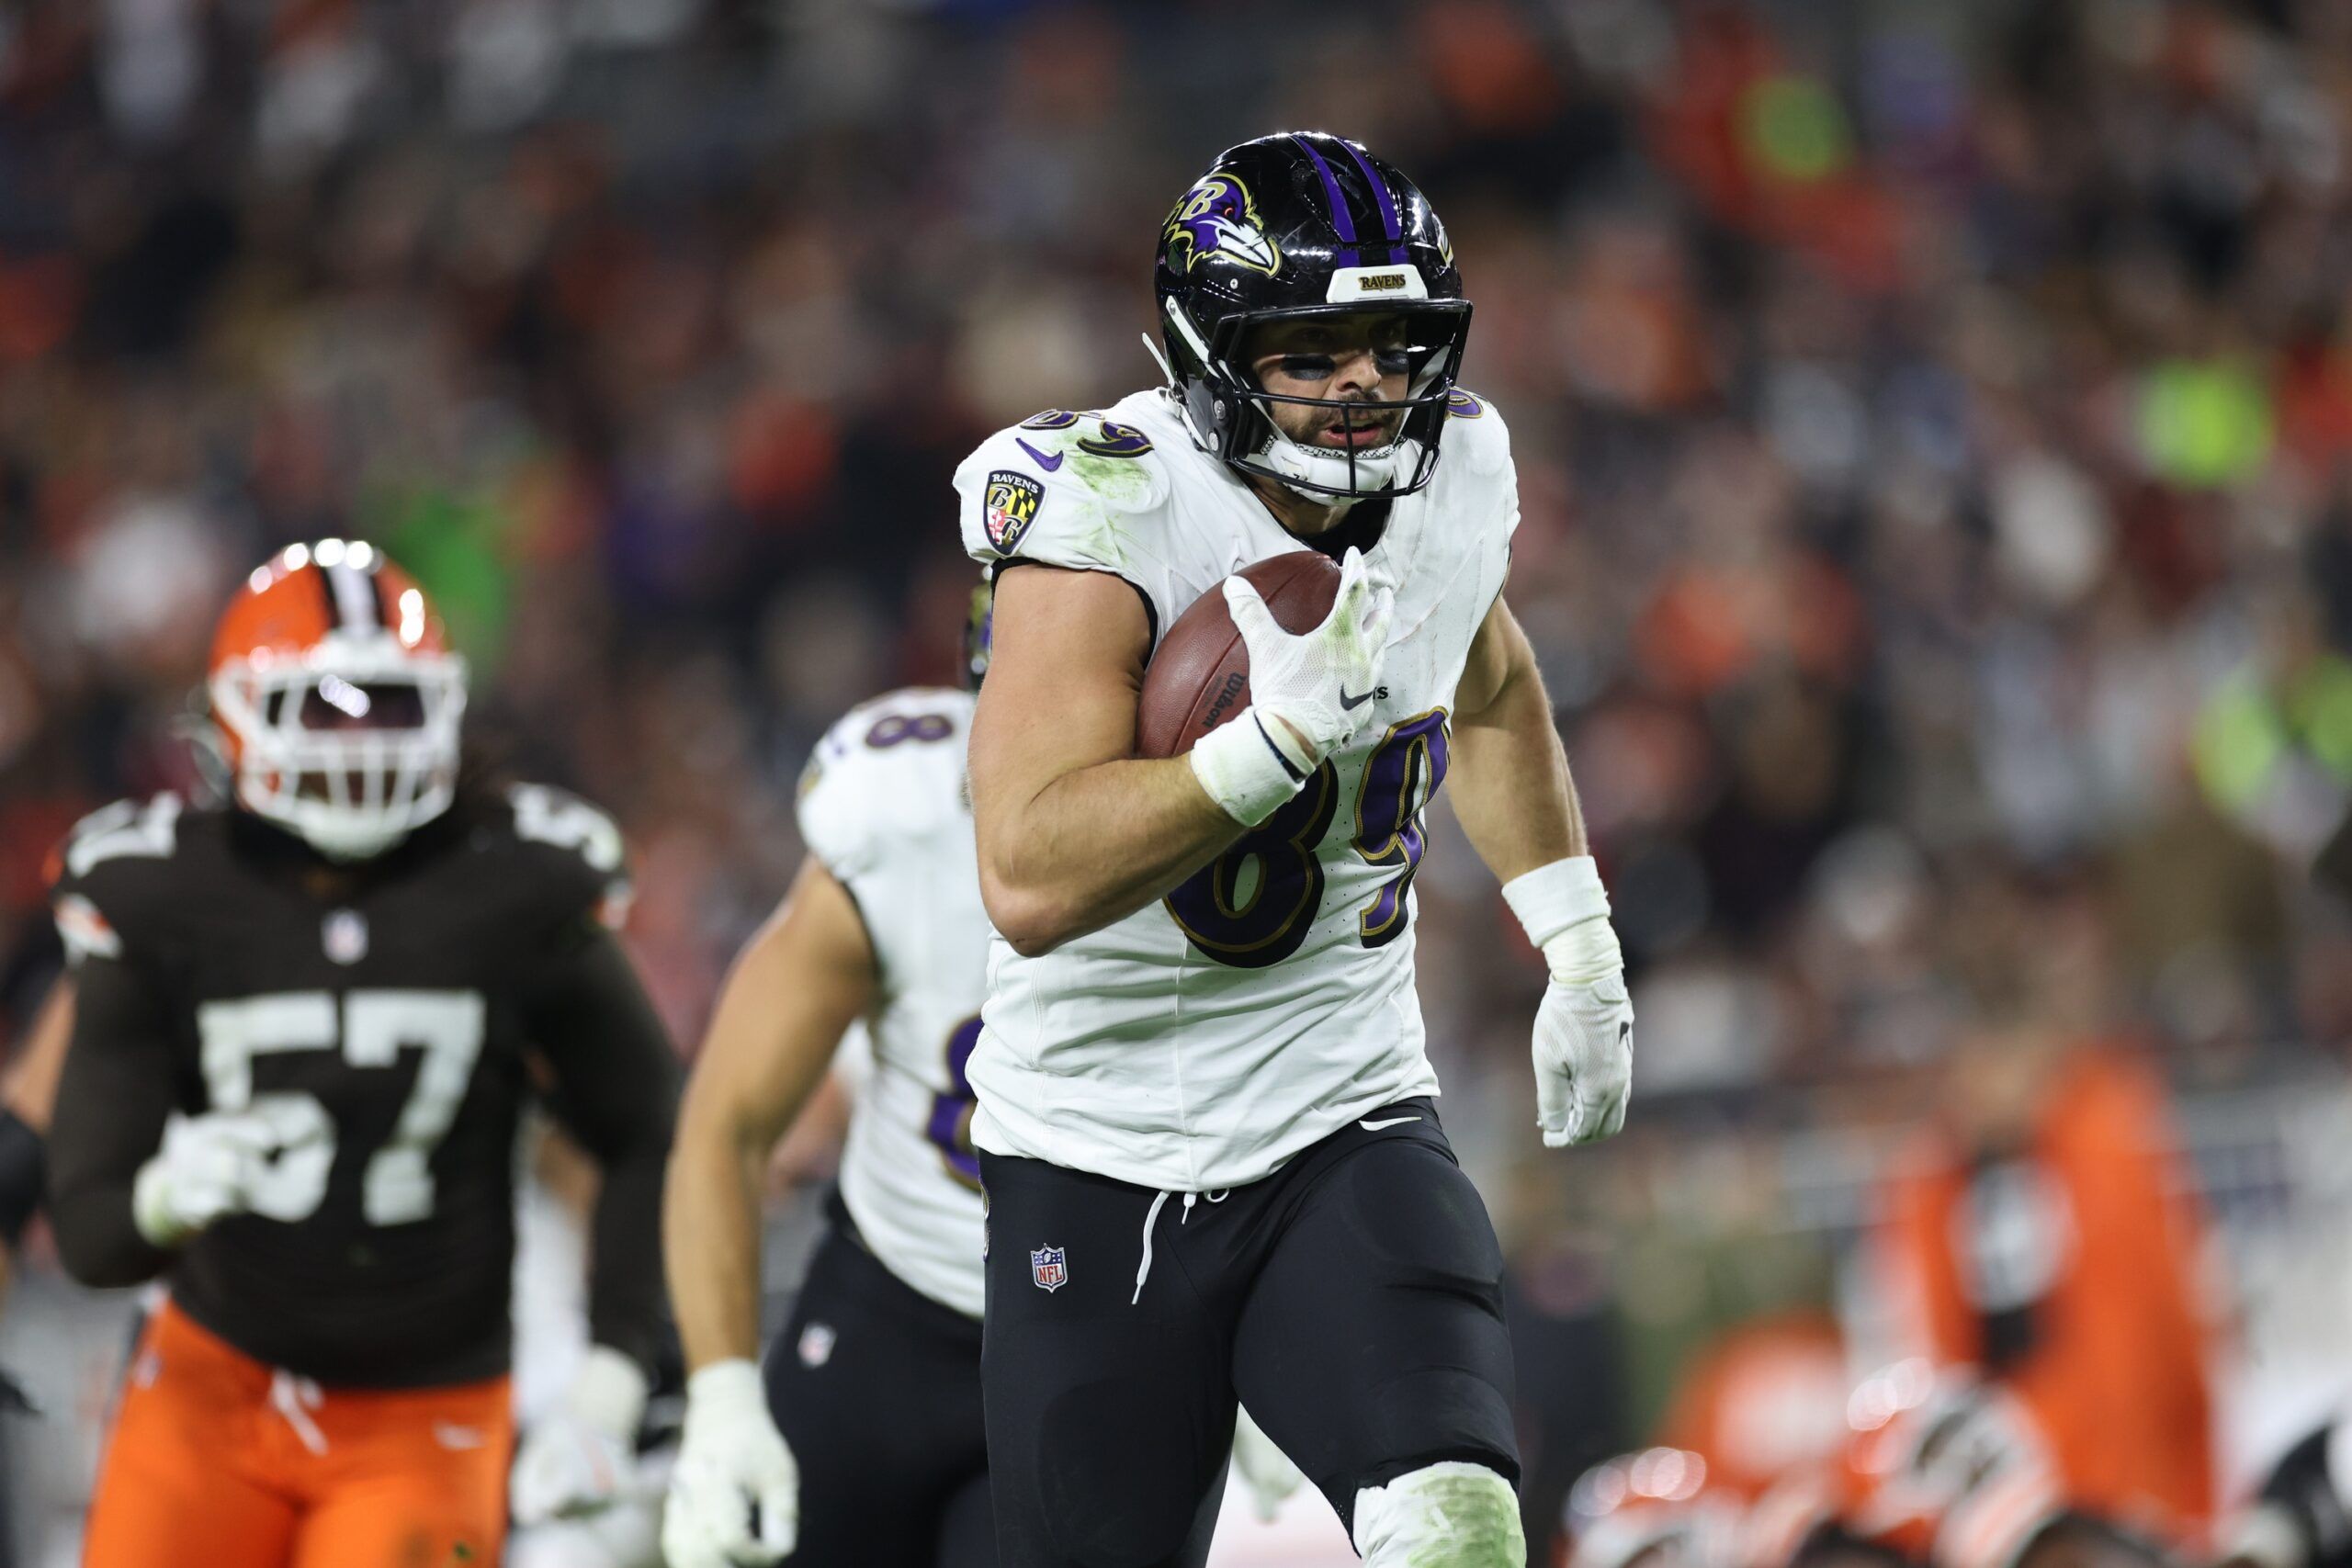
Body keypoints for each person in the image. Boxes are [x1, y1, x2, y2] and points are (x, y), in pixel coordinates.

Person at [958, 131, 1634, 1568]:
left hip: (1343, 1107)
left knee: (1456, 1522)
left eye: (1393, 349)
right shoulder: (1110, 511)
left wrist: (1575, 933)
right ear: (1215, 354)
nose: (1363, 389)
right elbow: (1025, 870)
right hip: (1096, 1141)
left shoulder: (1452, 481)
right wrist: (1263, 748)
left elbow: (1491, 681)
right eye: (1314, 351)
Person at [44, 539, 680, 1568]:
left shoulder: (516, 886)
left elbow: (651, 1127)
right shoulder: (161, 895)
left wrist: (615, 1372)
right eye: (325, 709)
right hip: (214, 1384)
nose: (360, 742)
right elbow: (89, 1236)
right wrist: (162, 1199)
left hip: (423, 1406)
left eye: (390, 706)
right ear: (236, 716)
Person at [660, 592, 1305, 1568]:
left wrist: (1266, 1337)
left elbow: (1312, 1135)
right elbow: (727, 1123)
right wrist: (719, 1396)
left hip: (1110, 1358)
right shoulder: (900, 826)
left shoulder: (1262, 876)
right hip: (886, 1318)